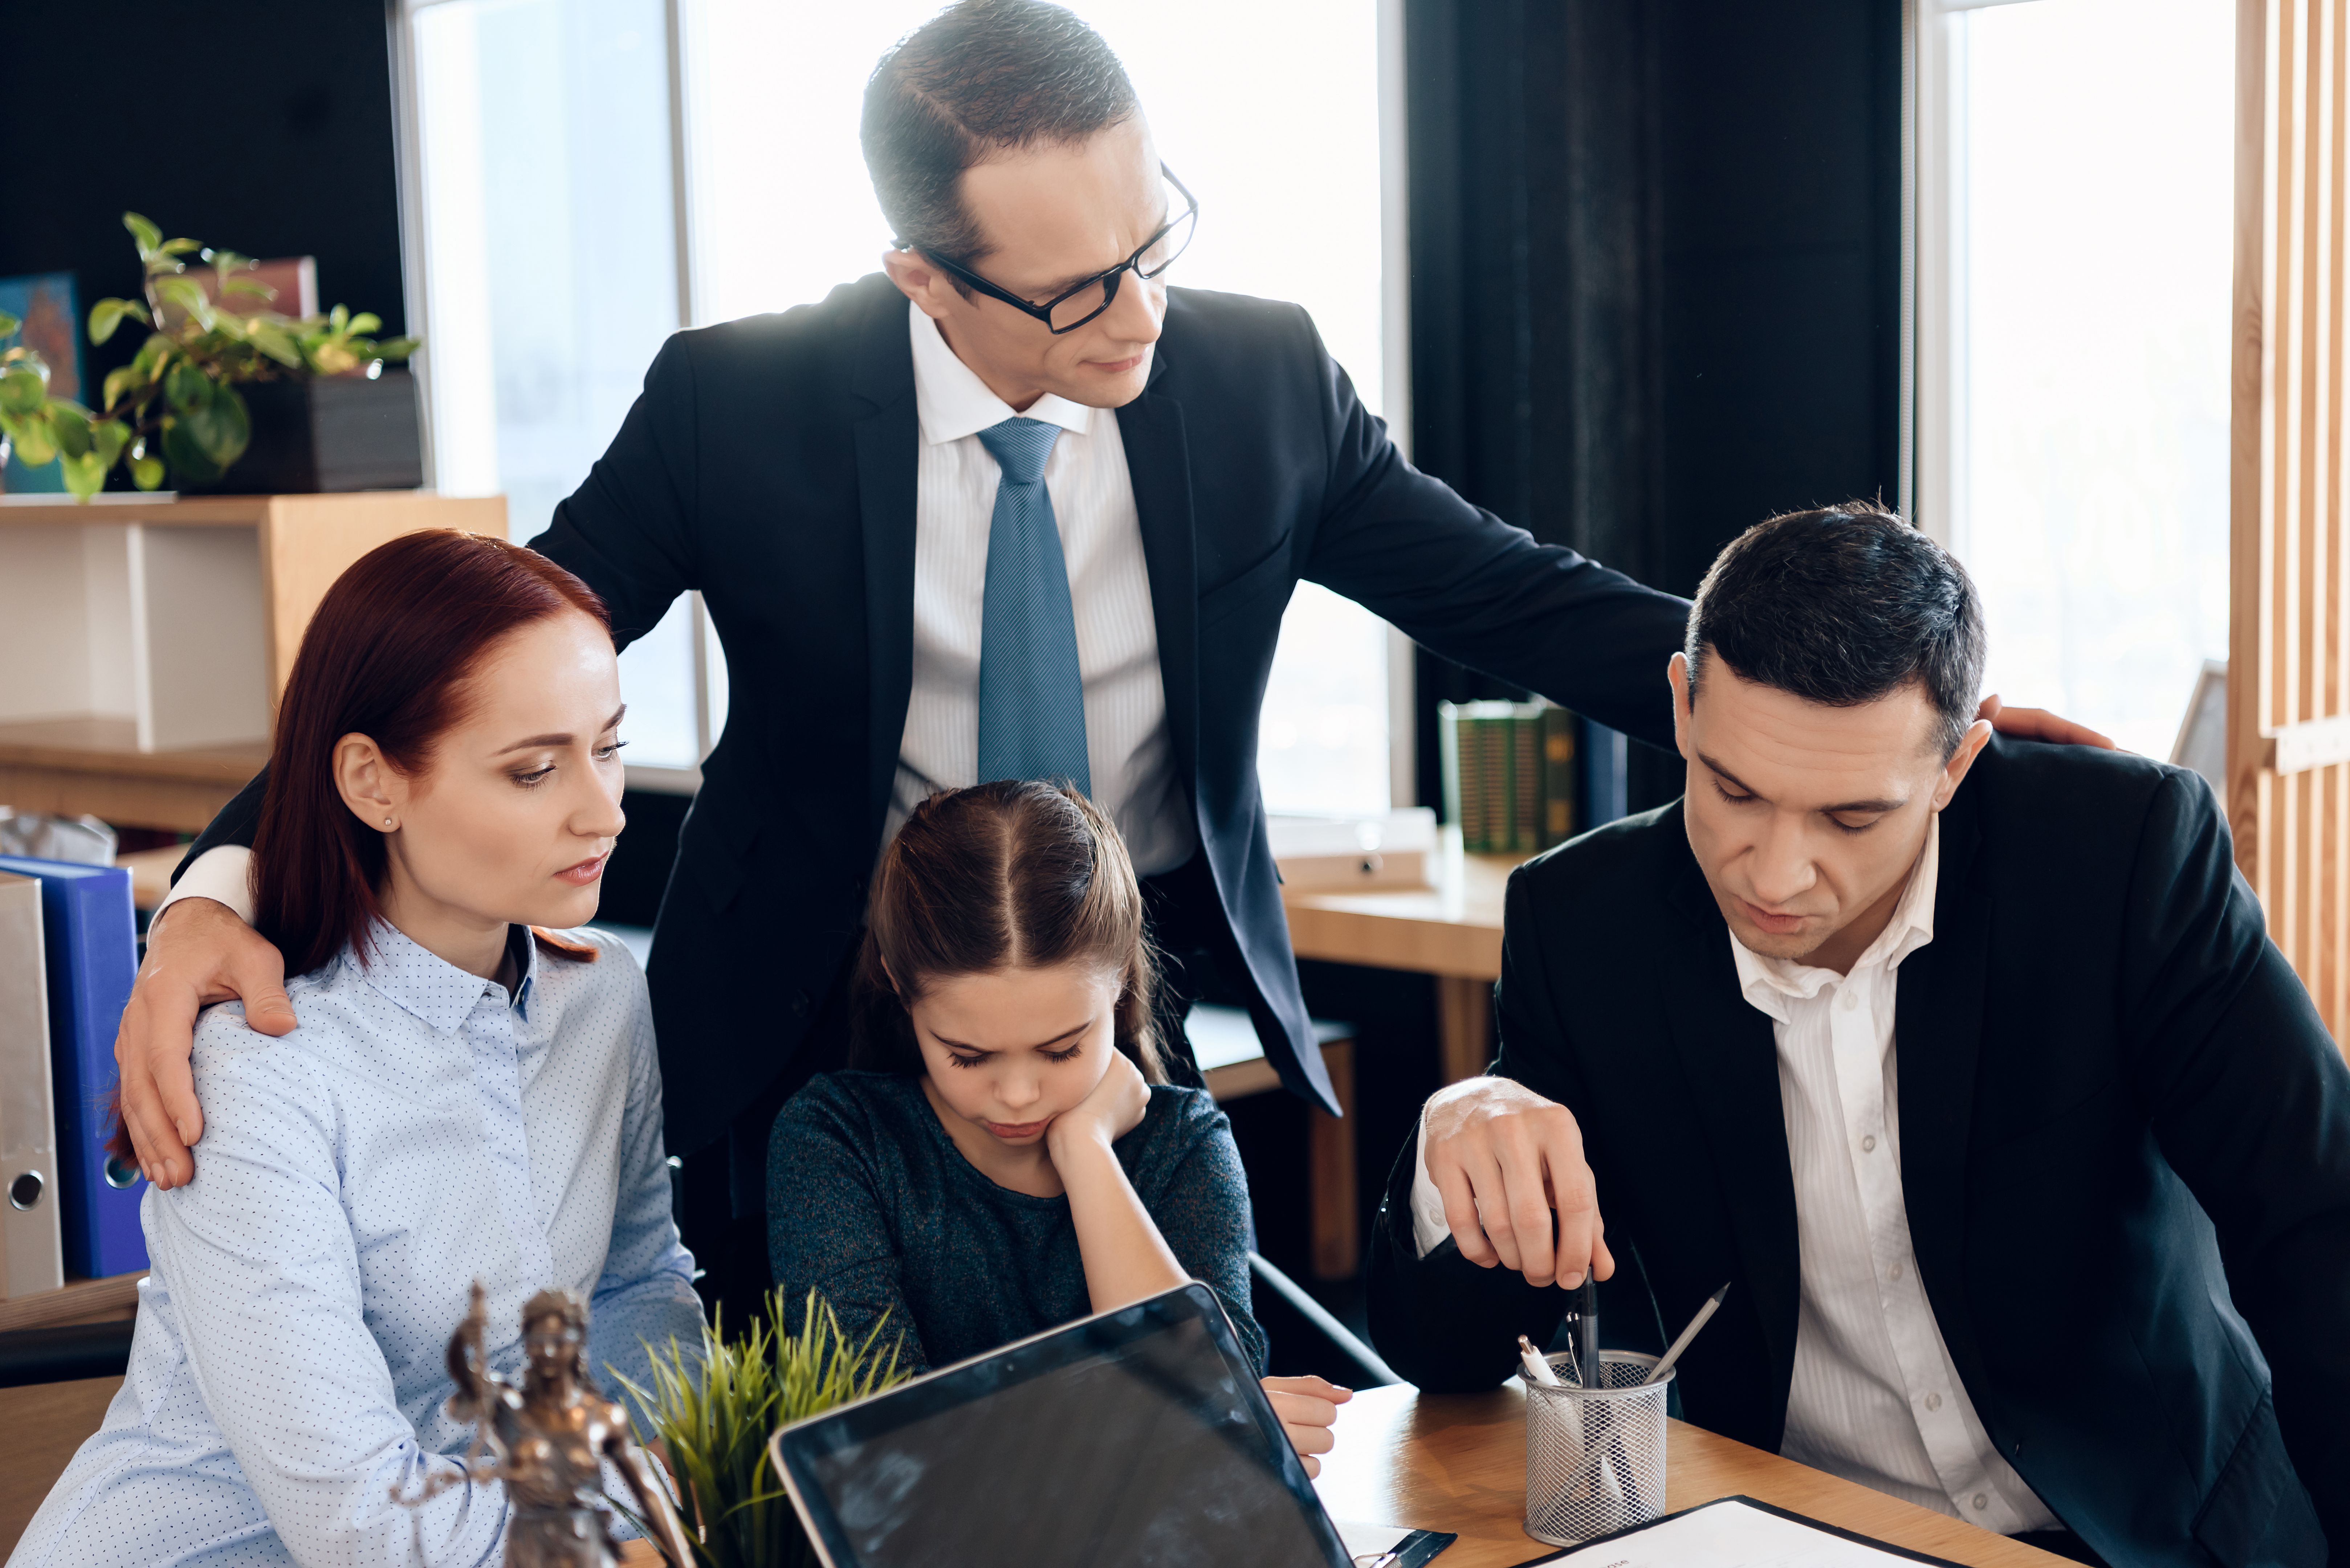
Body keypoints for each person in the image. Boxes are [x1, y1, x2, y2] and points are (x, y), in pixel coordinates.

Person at [111, 0, 2092, 1318]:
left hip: (1122, 997)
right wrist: (228, 874)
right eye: (1070, 292)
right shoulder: (748, 408)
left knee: (1174, 1411)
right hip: (818, 1015)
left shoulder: (1253, 376)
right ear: (921, 274)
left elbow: (1516, 598)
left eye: (1153, 241)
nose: (1137, 309)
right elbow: (476, 654)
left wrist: (1890, 731)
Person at [1364, 505, 2350, 1568]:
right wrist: (1450, 1148)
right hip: (1796, 1532)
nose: (1775, 875)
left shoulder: (2117, 857)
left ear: (1956, 765)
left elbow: (2314, 1221)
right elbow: (1447, 1358)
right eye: (1734, 791)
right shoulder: (1582, 923)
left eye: (1852, 819)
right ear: (1681, 710)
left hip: (2148, 1527)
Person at [14, 532, 702, 1567]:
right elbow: (364, 1525)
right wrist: (615, 1535)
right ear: (373, 783)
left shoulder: (602, 996)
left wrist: (664, 1473)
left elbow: (640, 1282)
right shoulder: (262, 1074)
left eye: (607, 747)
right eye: (533, 771)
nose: (602, 811)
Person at [766, 778, 1349, 1475]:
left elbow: (1217, 1405)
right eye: (968, 1056)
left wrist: (1086, 1150)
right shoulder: (836, 1141)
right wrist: (1159, 1419)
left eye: (1062, 1049)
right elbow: (882, 1441)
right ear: (897, 984)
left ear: (1120, 986)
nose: (1017, 1096)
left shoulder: (1185, 1142)